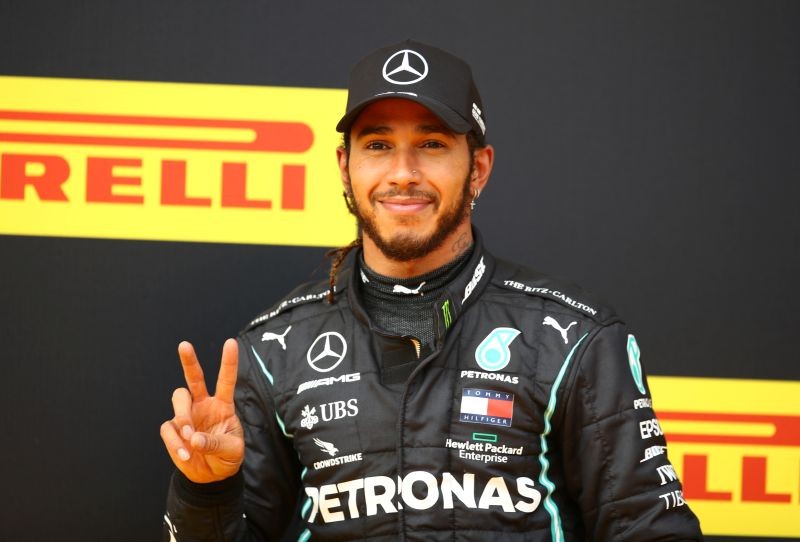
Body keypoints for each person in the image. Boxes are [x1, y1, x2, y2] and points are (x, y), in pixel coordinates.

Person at [160, 39, 703, 541]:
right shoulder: (274, 351)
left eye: (432, 144)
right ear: (345, 167)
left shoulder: (571, 339)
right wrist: (206, 492)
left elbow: (650, 529)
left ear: (478, 169)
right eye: (378, 144)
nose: (403, 173)